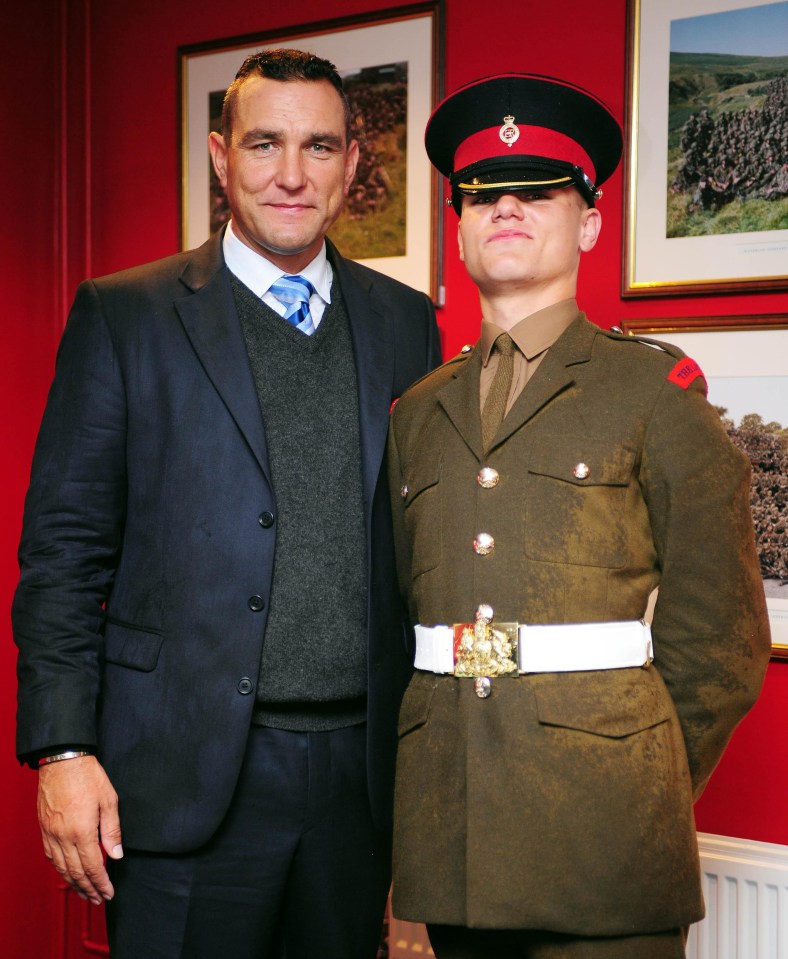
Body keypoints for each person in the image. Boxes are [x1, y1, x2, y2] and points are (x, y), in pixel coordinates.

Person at [13, 48, 440, 959]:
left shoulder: (408, 323)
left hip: (359, 790)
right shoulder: (124, 315)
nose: (292, 174)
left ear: (354, 165)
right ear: (219, 156)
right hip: (181, 777)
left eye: (320, 146)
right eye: (265, 144)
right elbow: (62, 553)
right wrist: (62, 750)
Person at [386, 73, 770, 959]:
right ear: (460, 227)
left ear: (590, 223)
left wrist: (634, 774)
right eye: (482, 197)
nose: (505, 210)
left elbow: (722, 639)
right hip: (454, 845)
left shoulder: (657, 393)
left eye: (538, 193)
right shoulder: (418, 413)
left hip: (606, 844)